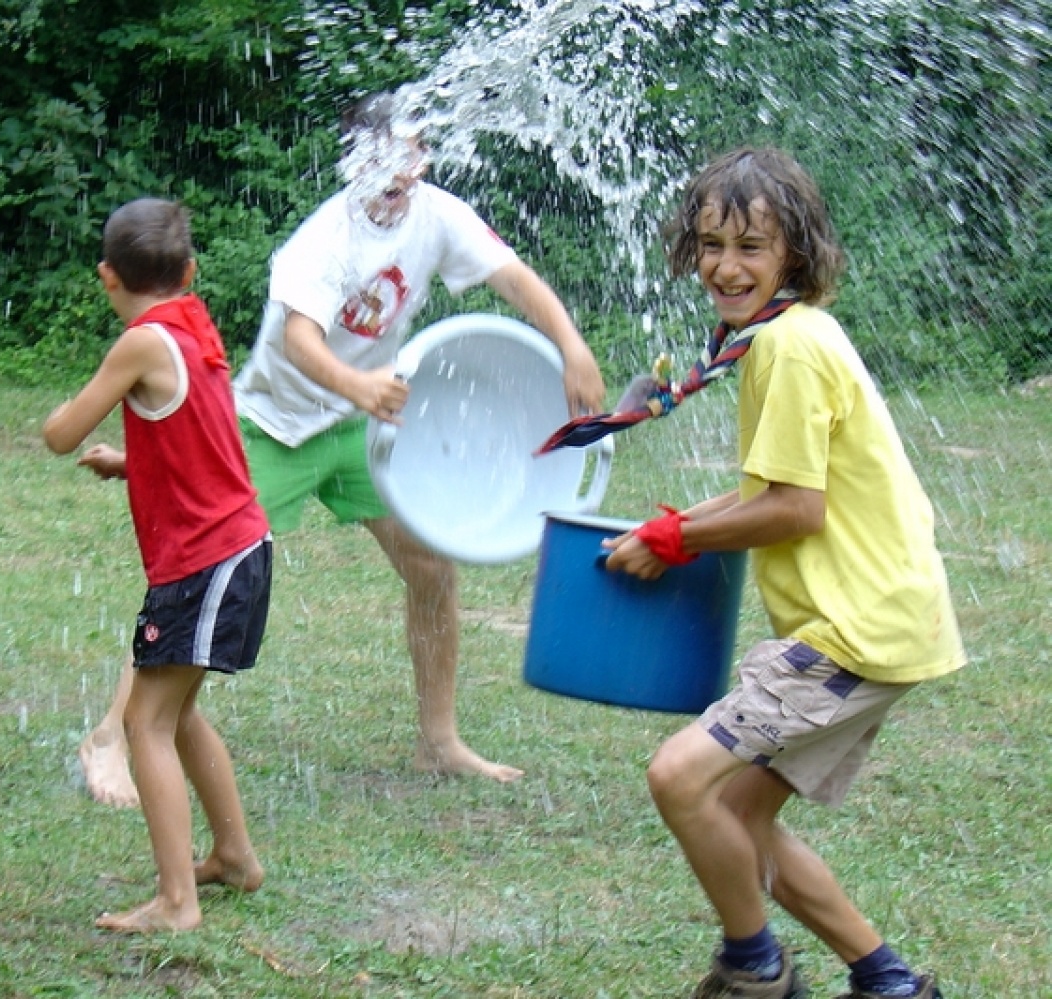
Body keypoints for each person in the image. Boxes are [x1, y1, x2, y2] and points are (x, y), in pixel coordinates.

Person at [75, 92, 607, 807]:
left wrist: (571, 346)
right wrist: (356, 384)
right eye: (387, 158)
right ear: (355, 163)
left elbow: (512, 276)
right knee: (194, 577)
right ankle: (111, 735)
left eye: (414, 154)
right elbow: (300, 341)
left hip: (365, 426)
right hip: (275, 425)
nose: (403, 172)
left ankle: (439, 741)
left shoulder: (438, 215)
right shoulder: (323, 239)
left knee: (431, 569)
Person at [600, 148, 960, 999]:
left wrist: (680, 537)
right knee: (737, 814)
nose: (726, 266)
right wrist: (680, 524)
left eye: (751, 248)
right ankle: (890, 983)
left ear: (793, 254)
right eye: (712, 244)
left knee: (680, 777)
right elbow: (774, 487)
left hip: (854, 632)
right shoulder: (784, 336)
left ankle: (753, 970)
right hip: (882, 623)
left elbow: (796, 509)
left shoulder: (789, 349)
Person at [44, 198, 271, 933]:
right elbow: (189, 431)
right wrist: (128, 462)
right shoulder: (193, 322)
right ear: (191, 272)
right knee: (177, 711)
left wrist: (71, 428)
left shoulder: (141, 341)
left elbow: (60, 432)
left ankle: (177, 901)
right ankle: (233, 854)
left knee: (145, 721)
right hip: (235, 547)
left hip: (204, 561)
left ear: (107, 276)